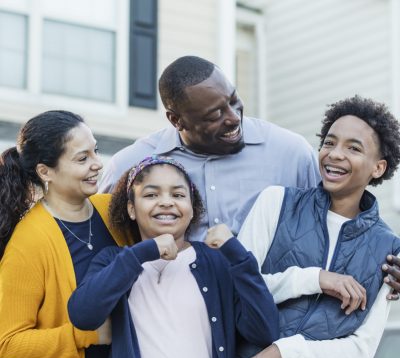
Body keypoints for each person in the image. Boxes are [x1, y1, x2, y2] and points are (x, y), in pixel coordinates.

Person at [68, 156, 280, 358]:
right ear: (131, 209)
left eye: (178, 195)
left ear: (192, 209)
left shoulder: (216, 262)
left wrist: (238, 255)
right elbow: (82, 314)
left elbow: (265, 331)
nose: (166, 202)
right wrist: (142, 253)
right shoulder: (115, 260)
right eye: (151, 195)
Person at [234, 96, 400, 358]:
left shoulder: (388, 248)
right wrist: (313, 279)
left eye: (353, 148)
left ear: (378, 167)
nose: (334, 154)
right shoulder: (275, 203)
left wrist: (288, 351)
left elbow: (360, 349)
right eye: (329, 142)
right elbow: (236, 291)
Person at [99, 55, 320, 240]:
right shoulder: (129, 166)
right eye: (215, 114)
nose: (234, 118)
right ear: (176, 120)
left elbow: (327, 229)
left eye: (233, 100)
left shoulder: (291, 153)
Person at [0, 110, 131, 358]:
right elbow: (7, 345)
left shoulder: (112, 210)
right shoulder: (28, 242)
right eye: (82, 159)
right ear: (45, 171)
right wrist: (85, 335)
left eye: (95, 151)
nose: (97, 164)